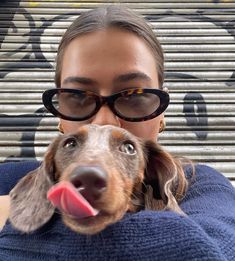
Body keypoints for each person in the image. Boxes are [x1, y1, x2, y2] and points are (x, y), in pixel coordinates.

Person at [0, 5, 235, 261]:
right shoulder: (11, 176)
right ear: (59, 113)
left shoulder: (203, 187)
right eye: (77, 96)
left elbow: (203, 253)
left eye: (136, 96)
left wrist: (6, 216)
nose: (104, 121)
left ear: (161, 112)